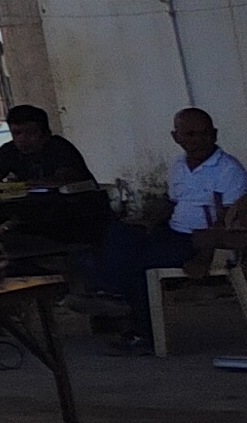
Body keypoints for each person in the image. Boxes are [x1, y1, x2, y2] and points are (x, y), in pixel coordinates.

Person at [86, 110, 246, 343]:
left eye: (205, 134)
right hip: (174, 231)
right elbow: (171, 202)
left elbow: (228, 221)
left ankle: (143, 333)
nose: (198, 140)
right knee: (120, 234)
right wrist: (147, 223)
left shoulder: (228, 169)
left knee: (143, 264)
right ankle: (112, 296)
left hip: (202, 240)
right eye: (190, 134)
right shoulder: (179, 165)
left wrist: (204, 257)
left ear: (215, 134)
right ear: (176, 137)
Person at [0, 104, 94, 190]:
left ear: (46, 134)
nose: (22, 139)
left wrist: (28, 184)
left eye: (30, 133)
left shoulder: (60, 148)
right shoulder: (9, 150)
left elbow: (65, 180)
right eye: (16, 133)